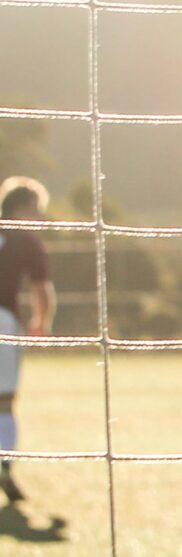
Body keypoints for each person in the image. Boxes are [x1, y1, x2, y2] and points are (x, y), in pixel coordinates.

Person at [0, 177, 56, 510]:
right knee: (4, 401)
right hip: (3, 322)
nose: (41, 218)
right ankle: (4, 465)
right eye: (37, 211)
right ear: (22, 209)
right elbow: (42, 290)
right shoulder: (26, 240)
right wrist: (41, 323)